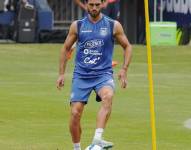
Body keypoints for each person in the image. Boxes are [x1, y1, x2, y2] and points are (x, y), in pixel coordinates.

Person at [56, 0, 132, 150]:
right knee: (75, 113)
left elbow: (127, 46)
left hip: (103, 74)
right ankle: (77, 148)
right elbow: (65, 48)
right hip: (81, 76)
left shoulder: (113, 25)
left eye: (98, 4)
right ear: (86, 4)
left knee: (108, 96)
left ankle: (97, 139)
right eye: (91, 4)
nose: (94, 8)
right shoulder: (77, 26)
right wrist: (61, 74)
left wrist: (124, 69)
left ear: (103, 4)